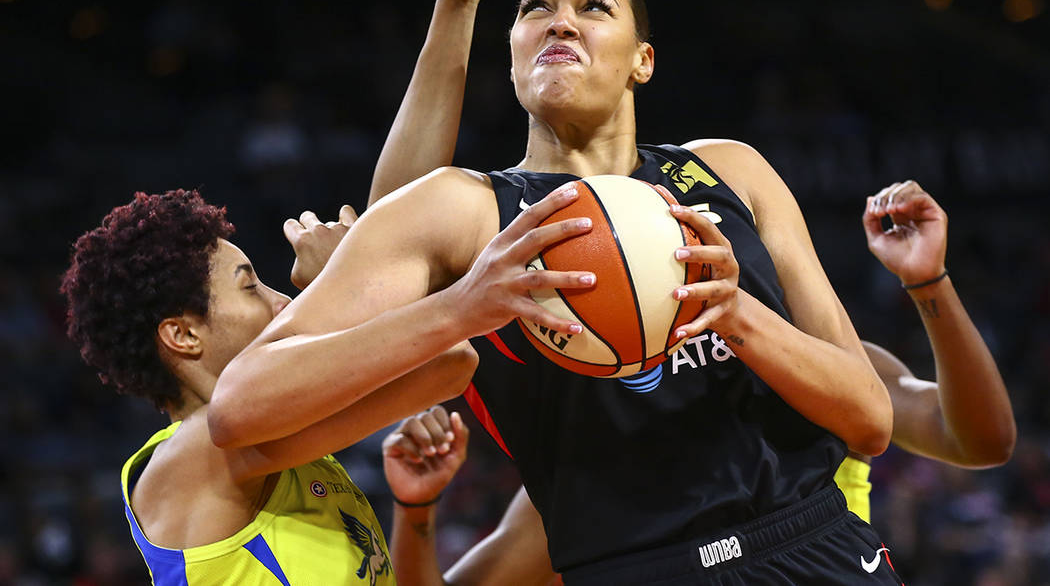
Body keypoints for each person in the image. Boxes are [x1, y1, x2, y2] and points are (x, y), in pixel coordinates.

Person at [232, 0, 902, 582]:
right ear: (514, 54)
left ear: (642, 59)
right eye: (535, 7)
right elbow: (248, 400)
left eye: (593, 5)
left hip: (815, 550)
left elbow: (870, 420)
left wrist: (739, 317)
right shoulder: (478, 217)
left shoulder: (731, 172)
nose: (560, 22)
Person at [379, 181, 1016, 585]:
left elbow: (981, 439)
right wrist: (416, 508)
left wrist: (928, 282)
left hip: (823, 557)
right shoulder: (607, 472)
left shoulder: (825, 365)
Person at [60, 184, 588, 584]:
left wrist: (416, 510)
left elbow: (444, 357)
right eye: (250, 287)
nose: (280, 302)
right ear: (183, 334)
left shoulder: (292, 450)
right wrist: (340, 275)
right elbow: (448, 361)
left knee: (573, 494)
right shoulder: (199, 455)